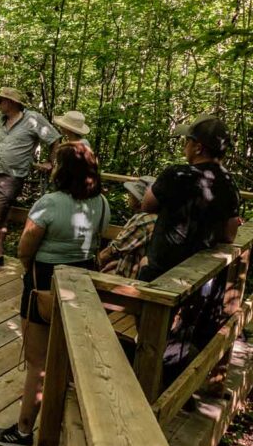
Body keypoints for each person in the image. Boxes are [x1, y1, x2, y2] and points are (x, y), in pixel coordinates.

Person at [0, 142, 109, 446]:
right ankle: (62, 426)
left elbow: (25, 247)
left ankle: (24, 430)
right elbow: (97, 242)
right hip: (82, 286)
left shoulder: (50, 203)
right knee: (67, 358)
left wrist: (28, 269)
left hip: (44, 284)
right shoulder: (103, 204)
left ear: (62, 170)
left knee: (38, 362)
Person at [139, 114, 240, 386]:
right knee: (182, 333)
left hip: (162, 273)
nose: (184, 146)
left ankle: (151, 389)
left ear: (198, 147)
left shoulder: (177, 174)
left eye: (187, 141)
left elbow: (147, 204)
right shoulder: (229, 183)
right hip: (204, 277)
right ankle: (175, 386)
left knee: (154, 332)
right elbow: (230, 234)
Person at [0, 87, 61, 267]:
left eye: (1, 100)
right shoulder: (2, 119)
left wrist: (51, 163)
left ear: (12, 103)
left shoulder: (33, 119)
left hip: (13, 176)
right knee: (1, 216)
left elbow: (54, 140)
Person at [97, 176, 158, 278]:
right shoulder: (156, 217)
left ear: (139, 198)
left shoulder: (143, 220)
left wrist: (92, 267)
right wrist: (118, 263)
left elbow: (112, 251)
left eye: (132, 193)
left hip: (128, 280)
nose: (129, 194)